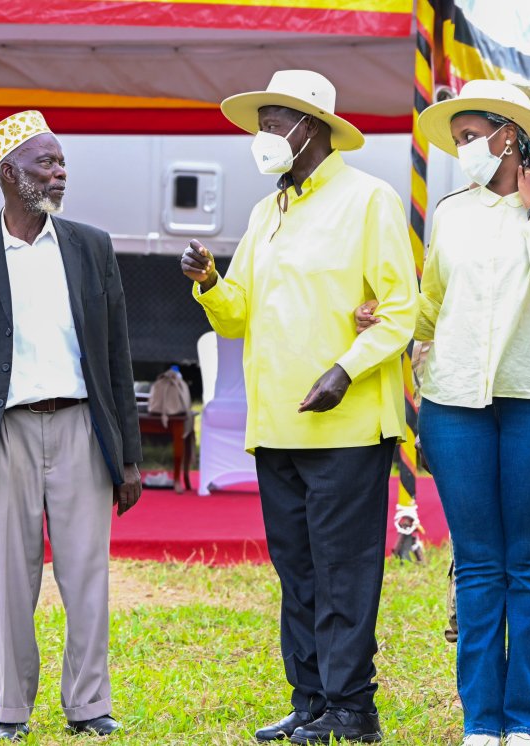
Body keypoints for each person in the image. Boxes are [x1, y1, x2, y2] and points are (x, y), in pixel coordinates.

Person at [181, 70, 417, 745]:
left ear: (309, 126)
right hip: (277, 424)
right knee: (298, 572)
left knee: (344, 570)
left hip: (345, 425)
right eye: (259, 121)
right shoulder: (267, 212)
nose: (262, 135)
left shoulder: (368, 201)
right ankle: (310, 698)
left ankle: (352, 706)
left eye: (273, 120)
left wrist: (345, 372)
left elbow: (399, 313)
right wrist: (210, 283)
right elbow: (237, 317)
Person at [0, 110, 143, 742]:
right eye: (45, 163)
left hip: (81, 428)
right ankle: (10, 711)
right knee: (7, 583)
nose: (58, 174)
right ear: (8, 172)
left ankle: (88, 707)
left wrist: (128, 457)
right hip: (3, 437)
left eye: (61, 163)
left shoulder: (90, 246)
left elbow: (116, 354)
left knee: (86, 576)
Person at [415, 78, 530, 746]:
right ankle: (481, 724)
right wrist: (406, 334)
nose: (463, 149)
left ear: (509, 135)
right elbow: (432, 300)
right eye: (458, 139)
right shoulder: (451, 213)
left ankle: (528, 725)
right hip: (456, 402)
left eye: (472, 137)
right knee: (478, 565)